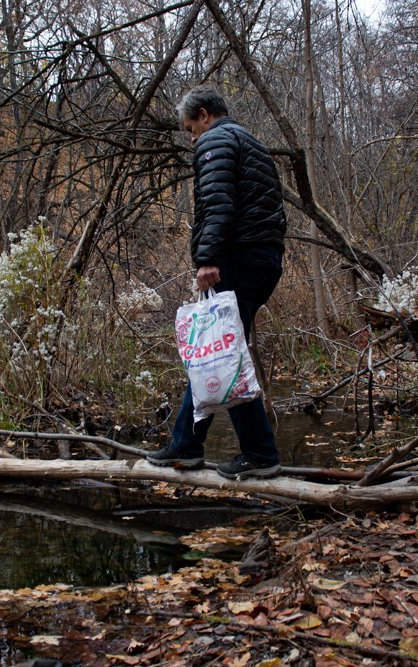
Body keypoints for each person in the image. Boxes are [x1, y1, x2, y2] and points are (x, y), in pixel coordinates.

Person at [148, 86, 287, 479]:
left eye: (192, 128)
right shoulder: (251, 142)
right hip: (263, 259)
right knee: (223, 351)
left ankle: (252, 453)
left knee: (221, 353)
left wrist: (207, 257)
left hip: (237, 259)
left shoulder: (216, 142)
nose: (193, 138)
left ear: (205, 115)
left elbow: (218, 202)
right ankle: (191, 445)